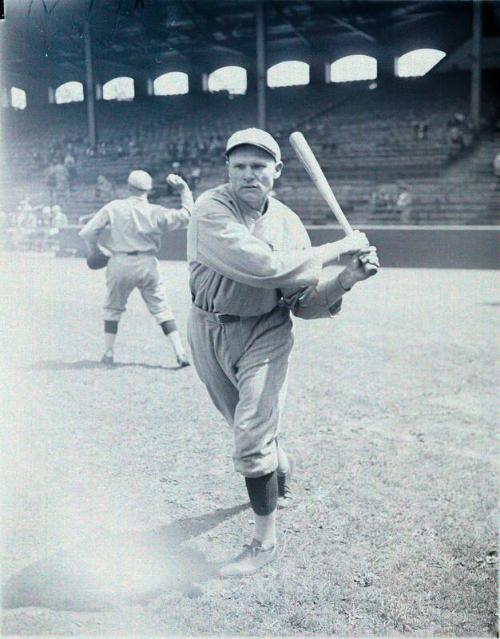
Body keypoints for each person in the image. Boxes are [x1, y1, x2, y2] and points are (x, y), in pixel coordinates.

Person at [186, 128, 378, 577]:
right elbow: (262, 266)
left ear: (277, 171)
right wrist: (338, 248)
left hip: (265, 331)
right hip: (208, 327)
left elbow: (303, 303)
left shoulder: (289, 224)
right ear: (227, 170)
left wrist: (347, 278)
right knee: (247, 424)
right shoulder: (210, 209)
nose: (249, 175)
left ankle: (263, 543)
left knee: (250, 434)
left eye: (258, 166)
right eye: (239, 167)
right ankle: (273, 457)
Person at [79, 170, 194, 367]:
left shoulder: (114, 207)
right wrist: (184, 189)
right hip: (148, 262)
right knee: (162, 309)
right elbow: (187, 215)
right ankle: (180, 352)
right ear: (148, 190)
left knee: (113, 309)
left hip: (120, 261)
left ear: (129, 187)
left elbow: (87, 232)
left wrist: (95, 250)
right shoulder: (157, 211)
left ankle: (108, 352)